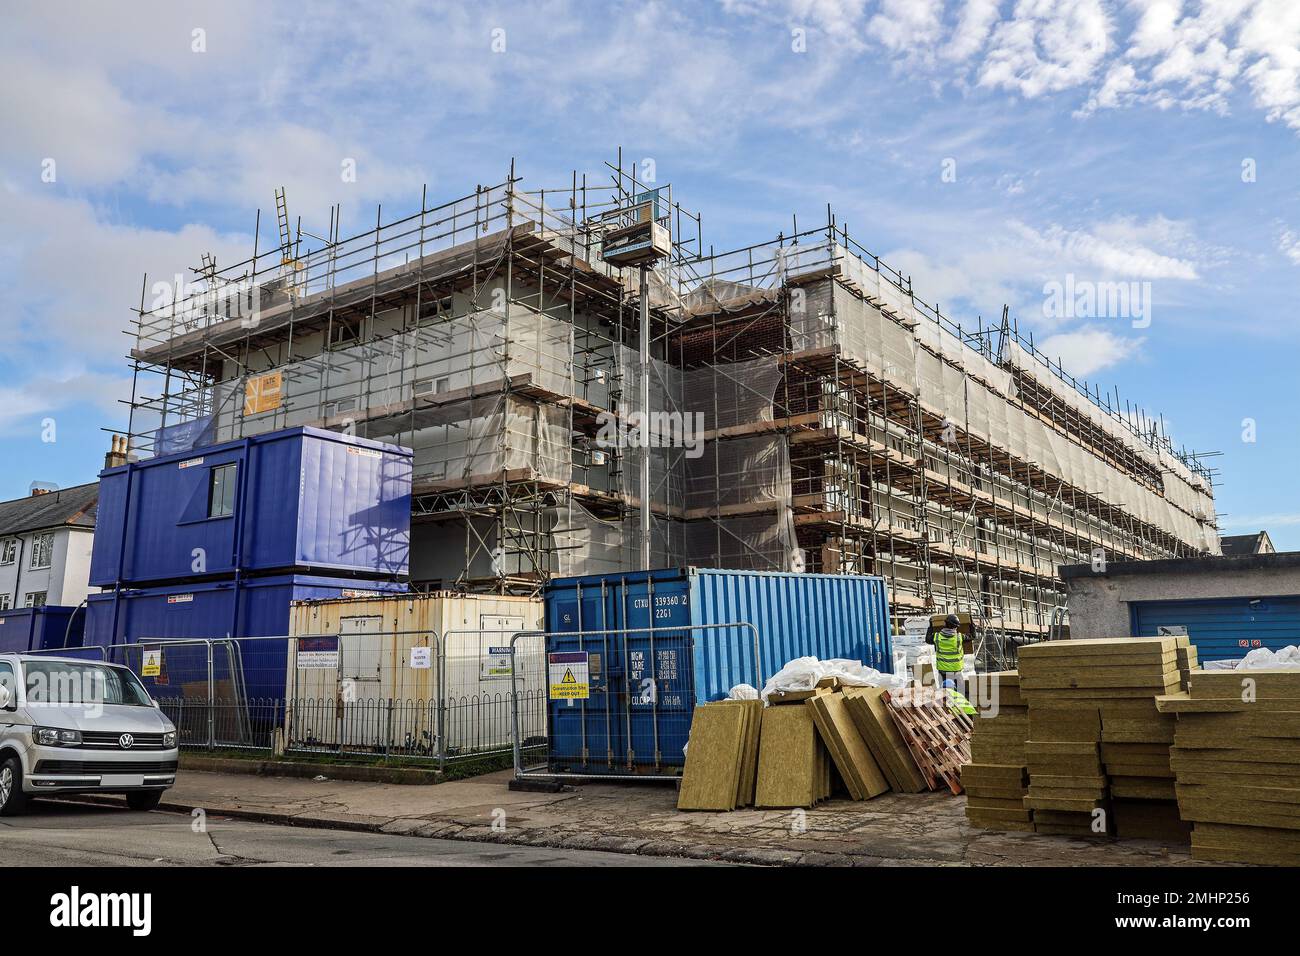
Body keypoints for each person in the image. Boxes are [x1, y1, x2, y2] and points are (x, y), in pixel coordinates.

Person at [929, 613, 965, 688]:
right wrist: (972, 625)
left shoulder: (937, 637)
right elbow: (973, 636)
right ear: (956, 627)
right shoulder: (959, 637)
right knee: (959, 693)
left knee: (944, 694)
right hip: (956, 671)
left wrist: (931, 626)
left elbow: (927, 639)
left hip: (943, 671)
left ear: (945, 624)